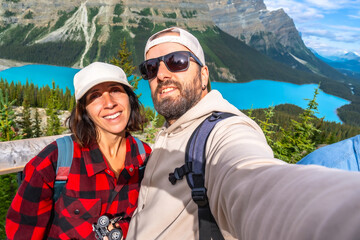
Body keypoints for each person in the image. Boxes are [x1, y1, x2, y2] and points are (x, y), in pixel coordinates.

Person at [126, 27, 360, 240]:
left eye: (177, 61)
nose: (162, 74)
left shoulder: (222, 132)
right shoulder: (169, 131)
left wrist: (342, 216)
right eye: (151, 67)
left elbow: (254, 181)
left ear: (204, 75)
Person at [6, 62, 152, 240]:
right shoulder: (55, 160)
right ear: (84, 110)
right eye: (95, 96)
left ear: (129, 98)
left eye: (115, 90)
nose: (109, 103)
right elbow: (23, 233)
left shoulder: (144, 156)